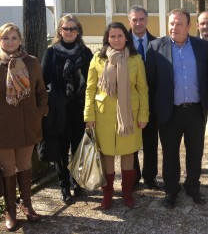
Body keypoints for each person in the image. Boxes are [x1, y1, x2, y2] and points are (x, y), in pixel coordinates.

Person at [146, 9, 208, 209]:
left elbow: (207, 77)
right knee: (170, 153)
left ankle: (193, 187)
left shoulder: (202, 47)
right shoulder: (155, 47)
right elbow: (151, 82)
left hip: (195, 111)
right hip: (169, 112)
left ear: (189, 26)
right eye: (172, 23)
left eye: (179, 24)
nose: (174, 27)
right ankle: (171, 190)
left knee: (195, 152)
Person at [84, 22, 149, 210]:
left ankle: (127, 192)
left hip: (129, 116)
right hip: (103, 115)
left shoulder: (135, 60)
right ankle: (107, 194)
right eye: (112, 36)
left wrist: (144, 114)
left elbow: (143, 89)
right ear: (107, 39)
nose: (116, 39)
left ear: (126, 38)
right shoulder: (98, 58)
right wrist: (88, 115)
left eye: (120, 36)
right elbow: (90, 89)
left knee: (128, 153)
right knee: (107, 155)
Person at [0, 23, 48, 230]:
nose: (10, 41)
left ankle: (26, 204)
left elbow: (40, 91)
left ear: (20, 39)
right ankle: (10, 209)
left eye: (13, 37)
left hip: (28, 123)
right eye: (5, 38)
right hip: (3, 126)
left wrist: (40, 112)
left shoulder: (32, 62)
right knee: (8, 167)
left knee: (25, 164)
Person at [40, 15, 93, 204]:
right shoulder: (52, 53)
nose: (69, 32)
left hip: (79, 108)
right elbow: (43, 81)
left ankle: (77, 182)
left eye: (73, 28)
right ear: (60, 31)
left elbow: (92, 82)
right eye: (66, 28)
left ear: (78, 31)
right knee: (61, 149)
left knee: (78, 147)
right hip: (58, 109)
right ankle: (64, 186)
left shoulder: (86, 53)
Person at [127, 5, 159, 189]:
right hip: (129, 103)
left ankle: (150, 176)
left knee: (151, 142)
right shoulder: (122, 43)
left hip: (152, 103)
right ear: (129, 21)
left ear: (147, 20)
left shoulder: (157, 44)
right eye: (134, 19)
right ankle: (134, 176)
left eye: (141, 19)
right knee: (131, 143)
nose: (138, 23)